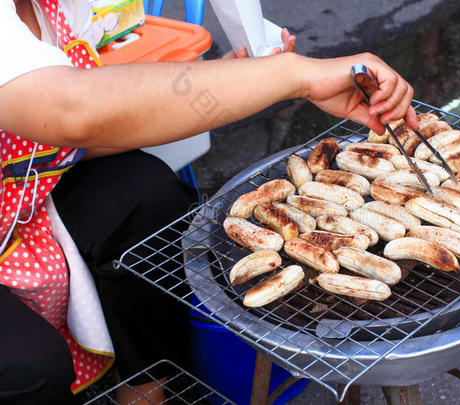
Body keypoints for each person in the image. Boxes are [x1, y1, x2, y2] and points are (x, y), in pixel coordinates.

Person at [0, 0, 418, 404]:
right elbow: (73, 110)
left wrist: (235, 84)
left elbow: (82, 134)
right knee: (32, 367)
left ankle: (143, 394)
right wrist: (295, 75)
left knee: (145, 193)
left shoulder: (59, 6)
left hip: (23, 201)